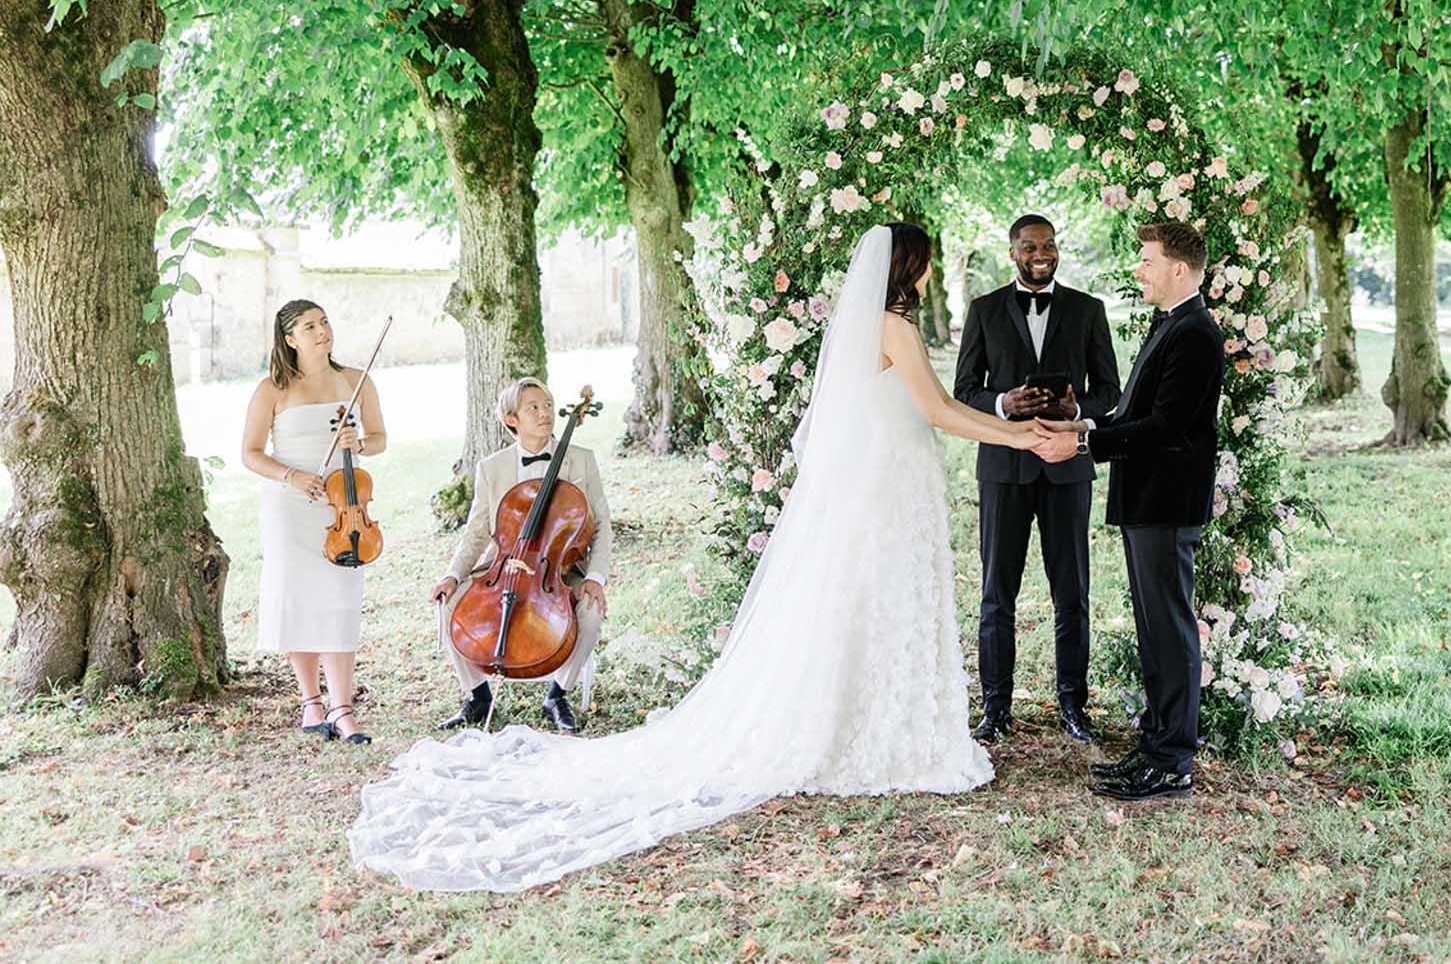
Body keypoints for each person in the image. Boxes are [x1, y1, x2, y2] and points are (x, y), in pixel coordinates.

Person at [350, 223, 1044, 892]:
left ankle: (869, 722)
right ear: (908, 268)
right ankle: (881, 732)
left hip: (886, 484)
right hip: (891, 487)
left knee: (867, 605)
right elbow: (940, 410)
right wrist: (1024, 436)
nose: (929, 270)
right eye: (925, 260)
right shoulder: (894, 326)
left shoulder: (871, 328)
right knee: (883, 602)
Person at [1034, 221, 1226, 801]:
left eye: (1147, 261)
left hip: (1167, 502)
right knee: (1153, 630)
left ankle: (1173, 764)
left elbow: (1166, 428)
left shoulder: (1195, 332)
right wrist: (1081, 423)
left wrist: (1082, 446)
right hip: (1147, 501)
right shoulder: (1168, 323)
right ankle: (1155, 746)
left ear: (1179, 269)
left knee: (1169, 631)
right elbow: (1133, 411)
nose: (1138, 271)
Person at [953, 213, 1120, 742]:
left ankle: (1073, 706)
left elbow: (1110, 392)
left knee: (1072, 594)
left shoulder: (1088, 310)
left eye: (1048, 245)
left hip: (1068, 469)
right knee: (996, 593)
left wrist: (1077, 409)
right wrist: (1004, 402)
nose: (1041, 254)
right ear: (1013, 253)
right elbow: (964, 391)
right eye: (1030, 247)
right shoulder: (983, 310)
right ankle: (996, 709)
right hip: (1003, 467)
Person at [431, 378, 614, 734]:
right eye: (533, 408)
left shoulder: (581, 460)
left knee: (591, 611)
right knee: (450, 602)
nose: (545, 413)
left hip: (559, 570)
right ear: (510, 419)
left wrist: (595, 576)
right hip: (505, 566)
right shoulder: (491, 468)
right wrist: (452, 574)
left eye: (547, 405)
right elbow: (477, 531)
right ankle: (478, 696)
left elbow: (602, 523)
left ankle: (558, 694)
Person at [240, 299, 387, 745]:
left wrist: (358, 442)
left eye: (324, 322)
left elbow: (379, 439)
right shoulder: (272, 389)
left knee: (340, 600)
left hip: (345, 505)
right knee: (298, 600)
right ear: (290, 339)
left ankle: (343, 708)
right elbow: (250, 453)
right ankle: (311, 701)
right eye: (309, 326)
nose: (322, 331)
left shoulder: (356, 380)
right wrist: (292, 476)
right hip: (291, 506)